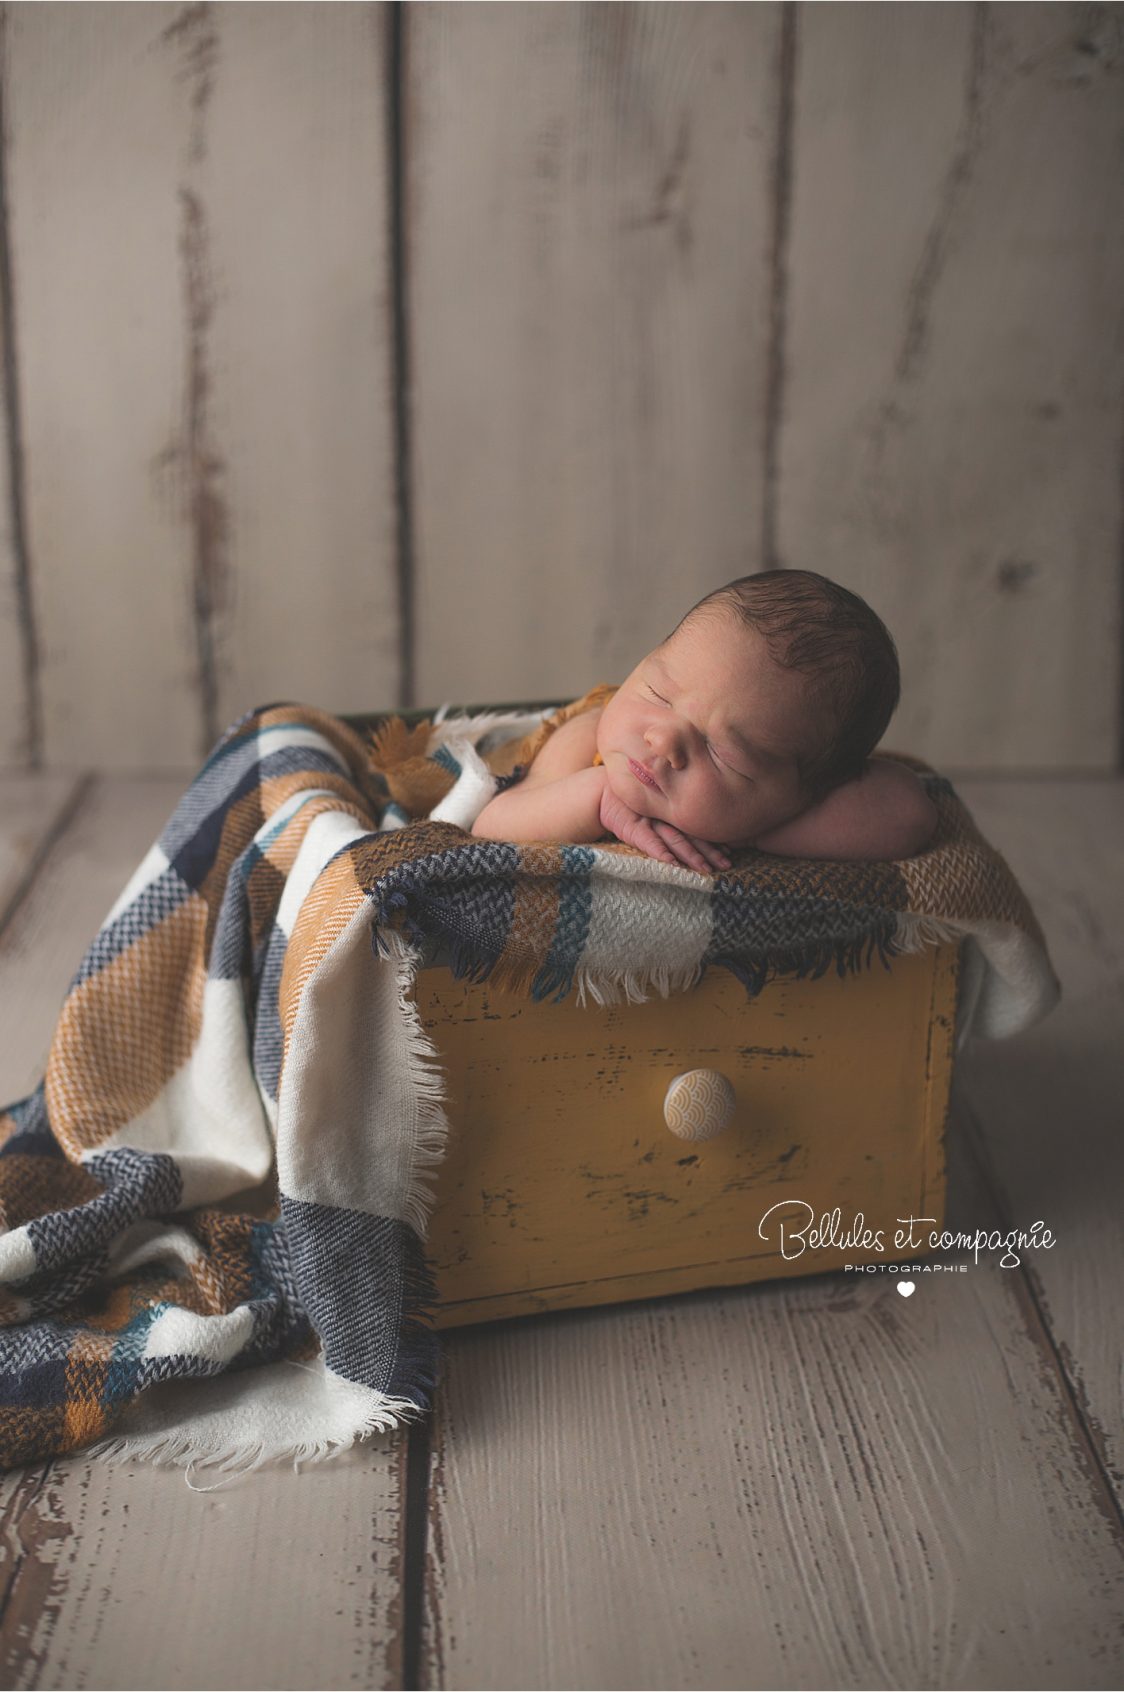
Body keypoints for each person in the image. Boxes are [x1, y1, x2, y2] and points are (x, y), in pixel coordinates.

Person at [471, 571, 938, 872]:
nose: (663, 737)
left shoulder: (777, 805)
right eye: (658, 693)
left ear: (799, 796)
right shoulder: (590, 737)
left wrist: (745, 827)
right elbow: (491, 826)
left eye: (723, 753)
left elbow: (909, 815)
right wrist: (599, 798)